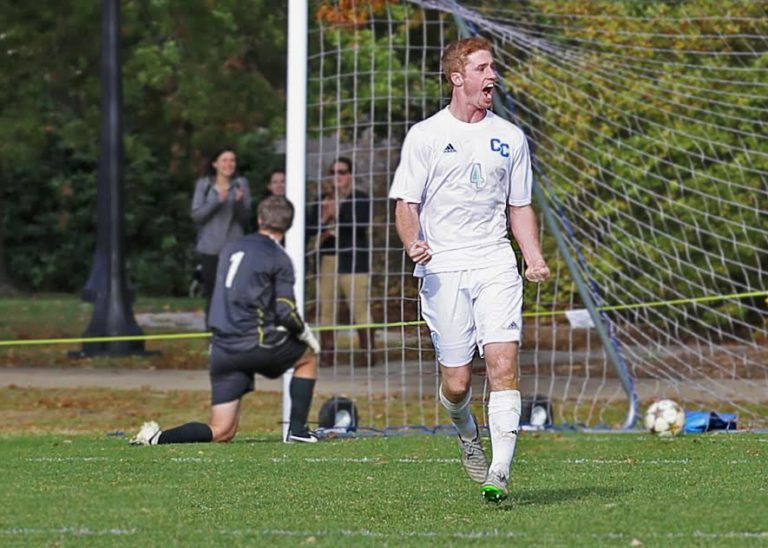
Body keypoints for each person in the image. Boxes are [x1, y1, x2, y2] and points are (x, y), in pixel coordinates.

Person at [389, 37, 550, 503]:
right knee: (457, 383)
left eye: (493, 68)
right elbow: (407, 204)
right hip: (444, 267)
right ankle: (466, 433)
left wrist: (532, 256)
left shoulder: (511, 138)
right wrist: (412, 240)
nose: (492, 77)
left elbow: (519, 206)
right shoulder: (426, 136)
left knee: (503, 361)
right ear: (457, 77)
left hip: (495, 260)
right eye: (482, 68)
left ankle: (498, 471)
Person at [130, 196, 322, 446]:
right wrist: (305, 333)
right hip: (253, 342)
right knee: (307, 358)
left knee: (222, 431)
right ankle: (298, 430)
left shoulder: (232, 247)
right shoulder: (279, 258)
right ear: (289, 225)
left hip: (222, 347)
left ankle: (157, 438)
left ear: (259, 219)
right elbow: (285, 310)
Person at [307, 157, 377, 368]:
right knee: (326, 309)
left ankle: (368, 353)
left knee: (359, 307)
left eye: (342, 172)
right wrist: (322, 219)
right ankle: (327, 353)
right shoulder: (322, 199)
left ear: (350, 175)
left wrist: (335, 212)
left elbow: (360, 225)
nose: (337, 176)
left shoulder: (360, 198)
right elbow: (309, 229)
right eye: (333, 172)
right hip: (328, 259)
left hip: (354, 261)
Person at [190, 146, 252, 326]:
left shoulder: (241, 184)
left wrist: (239, 203)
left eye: (232, 160)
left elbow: (245, 218)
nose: (229, 164)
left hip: (234, 249)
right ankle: (212, 335)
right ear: (215, 164)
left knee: (234, 294)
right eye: (224, 160)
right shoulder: (204, 185)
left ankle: (232, 335)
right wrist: (217, 202)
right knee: (212, 294)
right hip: (210, 249)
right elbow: (197, 216)